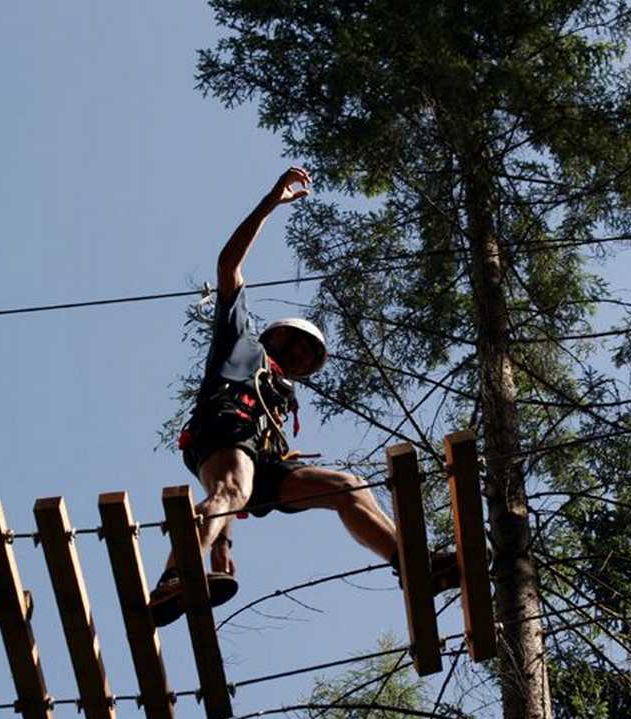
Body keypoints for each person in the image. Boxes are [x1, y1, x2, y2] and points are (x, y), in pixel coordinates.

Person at [149, 167, 457, 627]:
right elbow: (228, 266)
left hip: (260, 462)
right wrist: (270, 203)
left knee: (348, 487)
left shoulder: (279, 398)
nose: (296, 356)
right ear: (274, 337)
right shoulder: (241, 343)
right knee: (233, 487)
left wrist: (223, 547)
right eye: (292, 345)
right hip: (223, 426)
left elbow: (239, 482)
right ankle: (172, 579)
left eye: (305, 356)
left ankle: (413, 567)